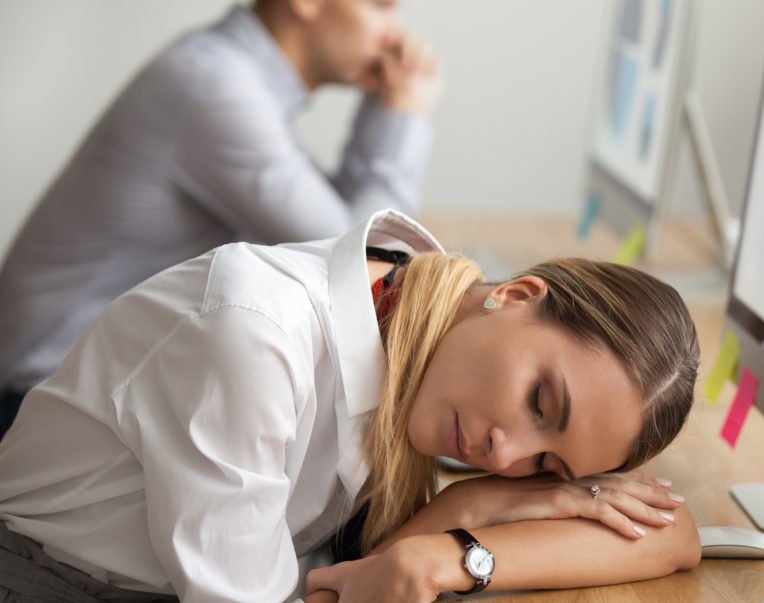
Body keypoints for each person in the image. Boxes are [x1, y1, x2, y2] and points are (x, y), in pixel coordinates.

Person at [0, 209, 702, 603]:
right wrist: (457, 519)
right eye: (540, 400)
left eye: (548, 467)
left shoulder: (409, 314)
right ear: (516, 295)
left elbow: (671, 534)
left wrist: (437, 551)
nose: (504, 450)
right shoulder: (256, 335)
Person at [0, 0, 441, 438]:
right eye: (381, 6)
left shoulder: (225, 76)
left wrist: (385, 109)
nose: (395, 32)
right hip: (36, 408)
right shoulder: (213, 88)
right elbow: (359, 264)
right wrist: (402, 113)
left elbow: (342, 241)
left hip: (72, 393)